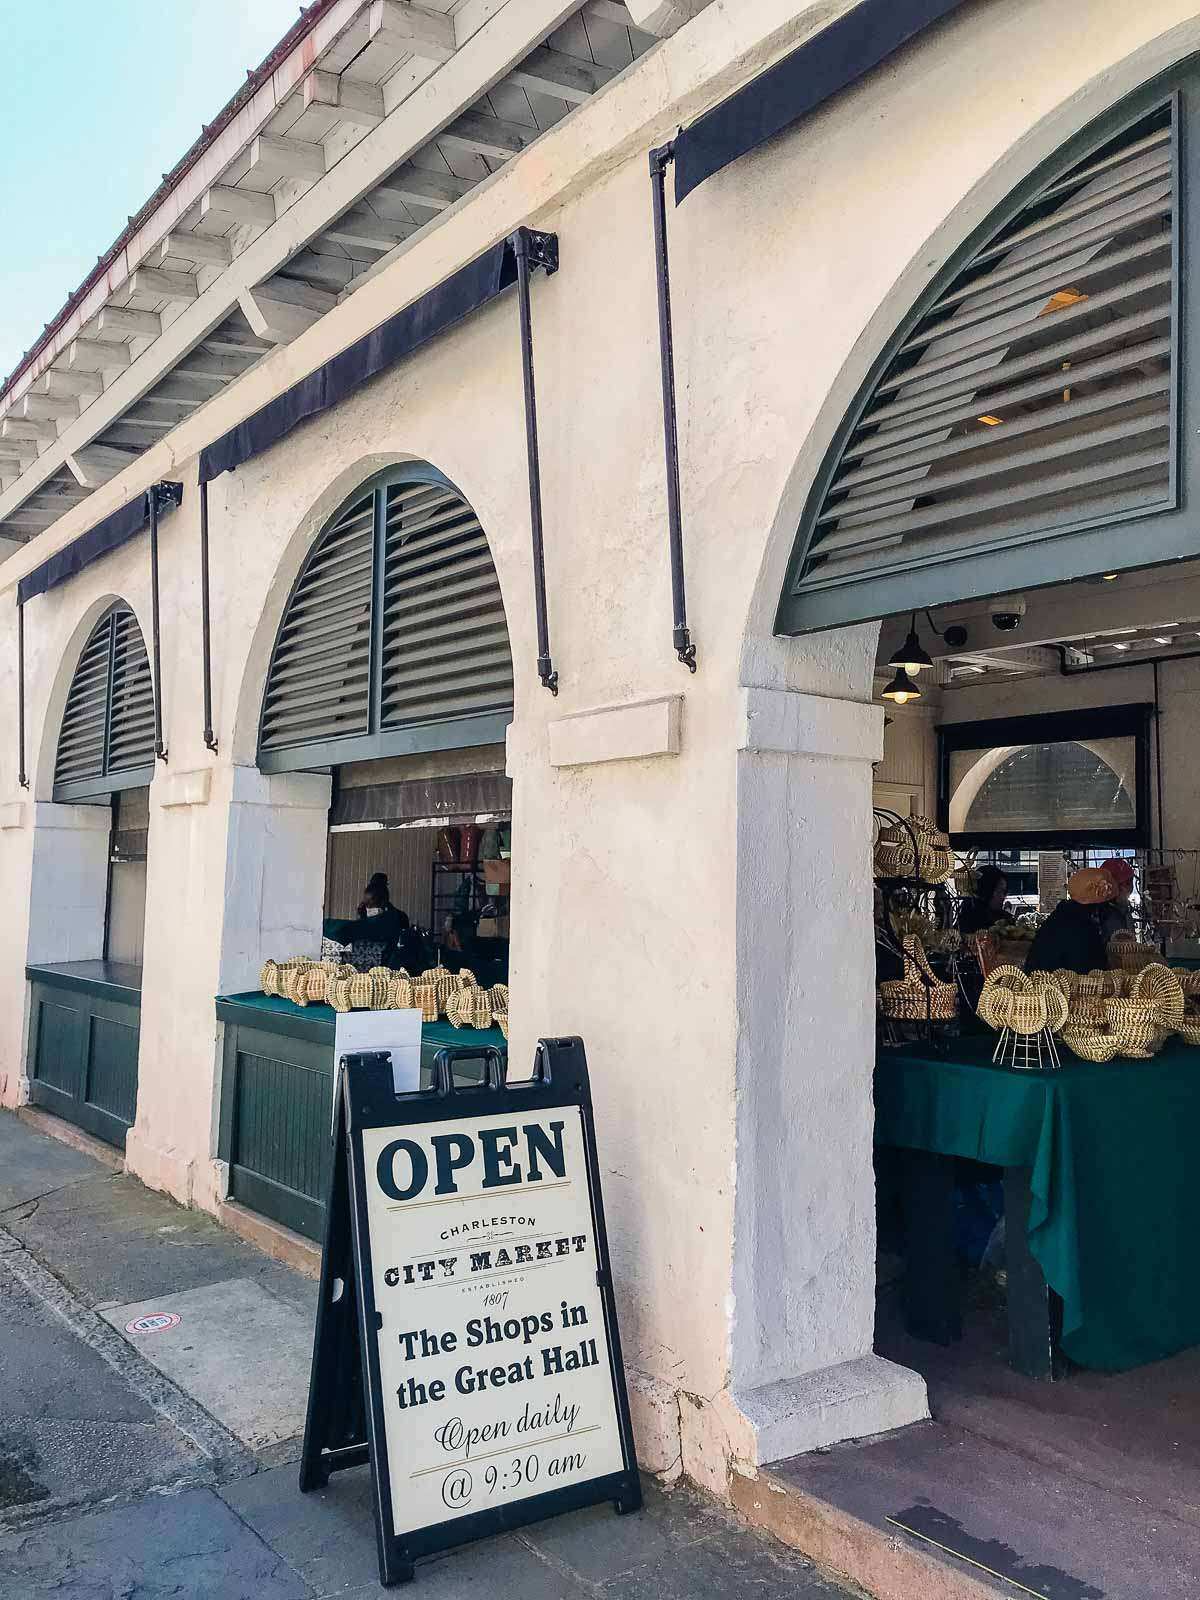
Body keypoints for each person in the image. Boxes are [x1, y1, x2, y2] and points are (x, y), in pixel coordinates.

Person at [1025, 867, 1115, 975]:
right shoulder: (1083, 926)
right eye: (1106, 903)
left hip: (1041, 985)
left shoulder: (1058, 917)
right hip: (1060, 988)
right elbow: (1093, 970)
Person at [325, 872, 413, 970]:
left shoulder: (396, 917)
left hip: (386, 963)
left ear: (382, 902)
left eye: (370, 905)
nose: (368, 908)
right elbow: (363, 926)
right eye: (366, 905)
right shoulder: (366, 913)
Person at [958, 865, 1013, 936]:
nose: (1003, 897)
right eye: (999, 891)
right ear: (986, 890)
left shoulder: (1005, 919)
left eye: (1004, 892)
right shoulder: (969, 918)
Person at [1098, 856, 1136, 944]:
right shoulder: (1101, 916)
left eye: (1130, 882)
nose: (1129, 889)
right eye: (1126, 883)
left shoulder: (1123, 909)